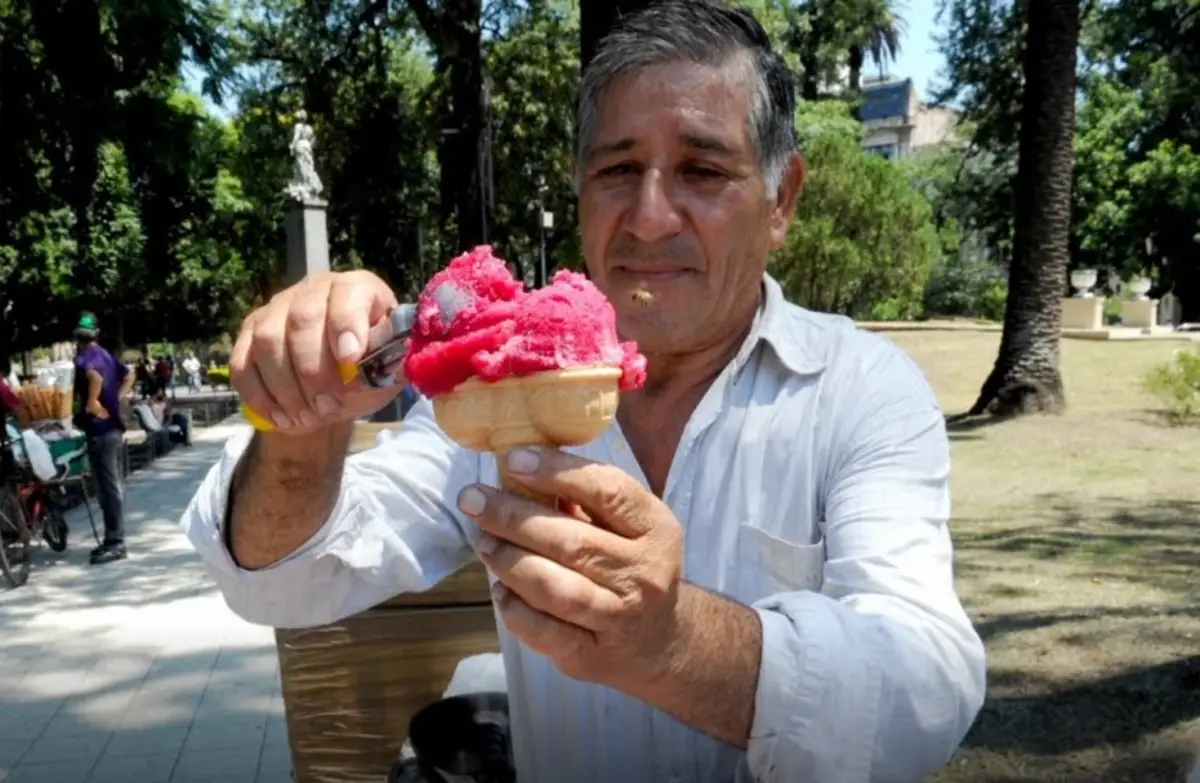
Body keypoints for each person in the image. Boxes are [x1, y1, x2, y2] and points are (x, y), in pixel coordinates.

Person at [181, 3, 986, 781]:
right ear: (580, 187)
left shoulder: (859, 390)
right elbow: (281, 580)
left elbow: (925, 685)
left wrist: (673, 643)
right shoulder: (499, 391)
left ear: (781, 199)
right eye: (617, 169)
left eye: (704, 170)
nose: (648, 215)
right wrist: (302, 424)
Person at [73, 312, 135, 564]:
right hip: (111, 428)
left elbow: (95, 377)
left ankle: (116, 542)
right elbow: (129, 374)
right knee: (107, 486)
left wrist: (91, 402)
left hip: (101, 429)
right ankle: (113, 538)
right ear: (96, 333)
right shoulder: (106, 355)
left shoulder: (85, 356)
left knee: (108, 487)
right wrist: (118, 397)